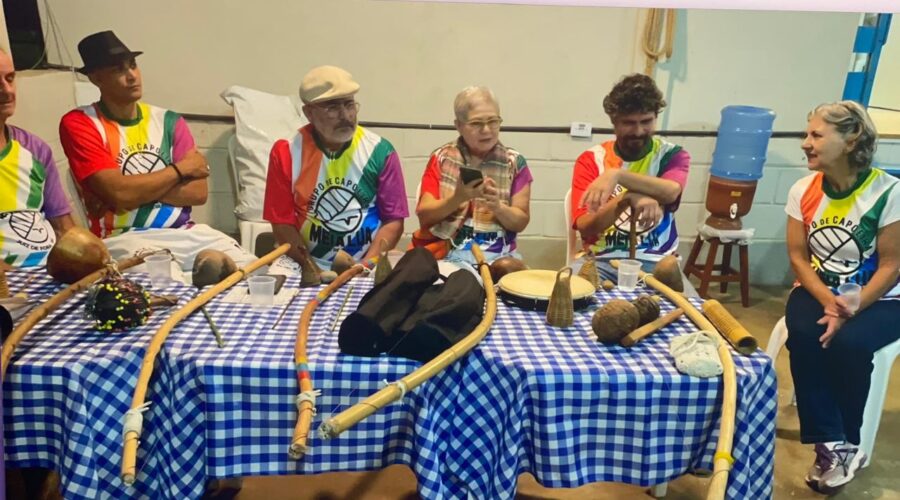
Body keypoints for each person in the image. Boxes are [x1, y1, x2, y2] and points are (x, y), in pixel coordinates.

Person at [59, 31, 254, 282]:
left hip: (185, 231)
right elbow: (119, 193)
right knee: (166, 284)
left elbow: (197, 193)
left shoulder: (169, 121)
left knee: (252, 270)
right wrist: (179, 171)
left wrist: (128, 189)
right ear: (96, 78)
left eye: (133, 65)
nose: (132, 76)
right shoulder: (81, 123)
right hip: (125, 237)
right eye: (118, 70)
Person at [784, 101, 899, 494]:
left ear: (851, 141)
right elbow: (798, 257)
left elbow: (891, 266)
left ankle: (848, 440)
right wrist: (829, 302)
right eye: (808, 134)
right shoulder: (802, 190)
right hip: (819, 287)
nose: (806, 143)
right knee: (805, 333)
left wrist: (852, 307)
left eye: (816, 135)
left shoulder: (889, 192)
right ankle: (832, 444)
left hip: (882, 297)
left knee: (850, 345)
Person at [263, 65, 408, 280]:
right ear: (309, 113)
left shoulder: (380, 151)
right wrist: (312, 269)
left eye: (349, 104)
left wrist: (364, 267)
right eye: (332, 107)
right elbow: (281, 222)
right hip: (303, 259)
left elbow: (393, 221)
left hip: (368, 260)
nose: (345, 116)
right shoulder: (286, 152)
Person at [570, 73, 689, 283]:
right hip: (601, 260)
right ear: (614, 122)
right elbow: (586, 226)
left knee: (689, 303)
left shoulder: (672, 155)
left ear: (656, 117)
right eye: (629, 123)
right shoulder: (591, 160)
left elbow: (670, 192)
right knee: (569, 296)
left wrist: (617, 175)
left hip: (657, 261)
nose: (639, 131)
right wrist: (627, 199)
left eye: (646, 121)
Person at [413, 86, 532, 266]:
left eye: (493, 121)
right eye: (476, 123)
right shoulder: (442, 158)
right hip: (449, 251)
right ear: (459, 126)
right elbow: (425, 216)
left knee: (509, 269)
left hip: (500, 254)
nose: (487, 130)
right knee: (459, 279)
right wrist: (458, 198)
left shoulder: (514, 162)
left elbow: (520, 223)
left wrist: (498, 207)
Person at [0, 48, 76, 268]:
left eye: (10, 79)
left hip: (52, 271)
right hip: (10, 280)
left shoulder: (35, 148)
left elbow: (64, 227)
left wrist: (91, 258)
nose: (7, 90)